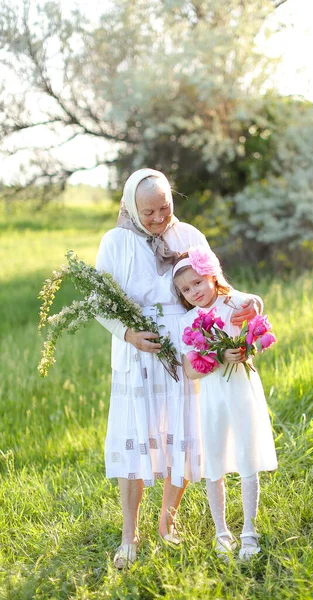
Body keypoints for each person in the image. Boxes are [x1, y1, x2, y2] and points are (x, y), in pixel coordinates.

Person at [94, 168, 261, 568]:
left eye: (164, 208)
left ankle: (167, 522)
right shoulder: (115, 242)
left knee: (183, 434)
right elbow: (101, 302)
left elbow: (217, 284)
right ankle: (128, 533)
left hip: (188, 345)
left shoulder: (189, 236)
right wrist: (129, 334)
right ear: (131, 207)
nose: (157, 218)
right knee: (137, 435)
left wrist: (248, 301)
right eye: (148, 211)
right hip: (139, 348)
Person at [173, 246, 278, 561]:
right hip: (213, 396)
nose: (194, 292)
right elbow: (190, 370)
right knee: (215, 461)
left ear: (211, 275)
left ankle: (249, 531)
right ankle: (222, 533)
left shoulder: (232, 302)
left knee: (247, 456)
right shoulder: (189, 320)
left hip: (242, 390)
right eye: (185, 289)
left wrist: (254, 314)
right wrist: (218, 356)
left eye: (197, 283)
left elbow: (253, 305)